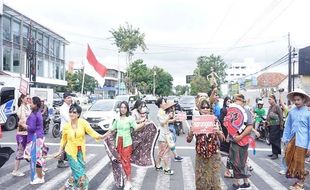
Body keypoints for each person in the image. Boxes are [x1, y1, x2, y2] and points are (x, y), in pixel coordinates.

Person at [55, 104, 104, 190]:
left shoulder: (83, 123)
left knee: (76, 172)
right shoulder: (66, 126)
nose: (71, 114)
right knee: (80, 175)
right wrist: (60, 151)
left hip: (81, 152)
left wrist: (101, 136)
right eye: (70, 111)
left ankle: (64, 187)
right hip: (70, 152)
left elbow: (91, 132)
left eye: (74, 112)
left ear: (78, 114)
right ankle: (83, 188)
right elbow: (63, 140)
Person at [102, 101, 147, 190]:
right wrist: (102, 136)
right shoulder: (117, 119)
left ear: (127, 109)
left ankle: (129, 182)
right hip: (118, 142)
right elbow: (112, 129)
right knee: (121, 162)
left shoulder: (130, 119)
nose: (123, 109)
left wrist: (144, 123)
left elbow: (136, 127)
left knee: (126, 162)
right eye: (121, 107)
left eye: (124, 108)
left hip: (127, 143)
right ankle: (125, 179)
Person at [187, 97, 225, 189]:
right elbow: (188, 140)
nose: (205, 109)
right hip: (201, 157)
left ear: (210, 109)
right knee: (201, 183)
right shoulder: (196, 121)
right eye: (203, 107)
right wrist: (191, 132)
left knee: (215, 183)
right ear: (199, 109)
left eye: (207, 107)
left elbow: (223, 139)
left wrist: (218, 131)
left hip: (214, 156)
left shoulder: (215, 120)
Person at [282, 89, 310, 190]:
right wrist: (285, 139)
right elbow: (288, 126)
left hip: (303, 141)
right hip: (292, 140)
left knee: (299, 162)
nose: (296, 102)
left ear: (303, 100)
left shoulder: (308, 113)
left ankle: (300, 184)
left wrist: (309, 146)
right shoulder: (292, 112)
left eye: (298, 100)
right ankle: (303, 174)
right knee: (289, 160)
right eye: (295, 100)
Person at [226, 94, 254, 190]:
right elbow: (230, 125)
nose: (237, 101)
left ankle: (236, 184)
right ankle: (246, 183)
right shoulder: (232, 111)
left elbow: (250, 126)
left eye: (239, 100)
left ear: (243, 101)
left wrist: (240, 136)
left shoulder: (246, 111)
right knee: (240, 161)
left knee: (237, 162)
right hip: (234, 139)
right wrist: (228, 136)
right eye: (235, 100)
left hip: (242, 140)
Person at [21, 96, 48, 185]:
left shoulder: (34, 114)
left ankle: (40, 177)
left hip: (35, 138)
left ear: (35, 104)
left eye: (31, 102)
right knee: (34, 157)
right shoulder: (37, 112)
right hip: (39, 137)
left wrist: (23, 124)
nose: (30, 104)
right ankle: (41, 171)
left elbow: (31, 128)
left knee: (33, 158)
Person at [155, 98, 183, 176]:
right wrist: (169, 117)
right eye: (164, 102)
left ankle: (158, 166)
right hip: (162, 134)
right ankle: (166, 169)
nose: (165, 103)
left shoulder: (162, 111)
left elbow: (166, 122)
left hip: (164, 133)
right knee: (166, 152)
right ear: (160, 104)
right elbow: (162, 123)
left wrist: (173, 119)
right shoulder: (159, 113)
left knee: (161, 151)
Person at [12, 94, 30, 177]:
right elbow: (22, 121)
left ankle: (38, 167)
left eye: (29, 98)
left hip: (27, 133)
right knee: (20, 152)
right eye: (27, 98)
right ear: (22, 99)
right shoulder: (21, 108)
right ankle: (15, 171)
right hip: (22, 134)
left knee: (31, 150)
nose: (29, 99)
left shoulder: (27, 107)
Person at [58, 92, 73, 168]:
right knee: (63, 146)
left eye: (70, 97)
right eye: (68, 98)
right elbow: (68, 119)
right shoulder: (63, 108)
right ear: (64, 99)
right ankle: (60, 162)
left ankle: (67, 158)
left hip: (70, 130)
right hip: (64, 130)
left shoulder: (70, 106)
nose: (70, 99)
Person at [267, 94, 283, 160]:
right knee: (272, 139)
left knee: (275, 139)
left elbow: (281, 116)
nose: (269, 101)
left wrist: (281, 125)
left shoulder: (277, 107)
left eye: (270, 99)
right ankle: (273, 152)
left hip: (276, 125)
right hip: (271, 125)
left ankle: (275, 154)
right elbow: (268, 115)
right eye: (268, 99)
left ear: (274, 99)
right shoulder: (270, 107)